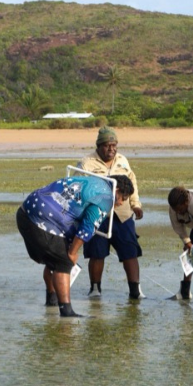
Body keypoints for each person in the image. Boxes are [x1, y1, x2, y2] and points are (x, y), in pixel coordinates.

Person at [17, 173, 134, 318]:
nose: (121, 203)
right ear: (117, 191)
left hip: (25, 211)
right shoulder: (106, 197)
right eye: (123, 198)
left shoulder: (93, 179)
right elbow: (88, 227)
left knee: (53, 258)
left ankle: (51, 300)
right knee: (63, 262)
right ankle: (66, 312)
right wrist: (73, 252)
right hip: (42, 220)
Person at [77, 126, 144, 300]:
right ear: (99, 146)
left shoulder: (123, 161)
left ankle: (135, 290)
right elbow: (79, 188)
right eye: (107, 145)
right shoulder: (86, 163)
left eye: (114, 145)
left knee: (130, 252)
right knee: (96, 253)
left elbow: (132, 184)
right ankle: (95, 289)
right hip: (97, 215)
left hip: (122, 214)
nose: (111, 149)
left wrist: (135, 204)